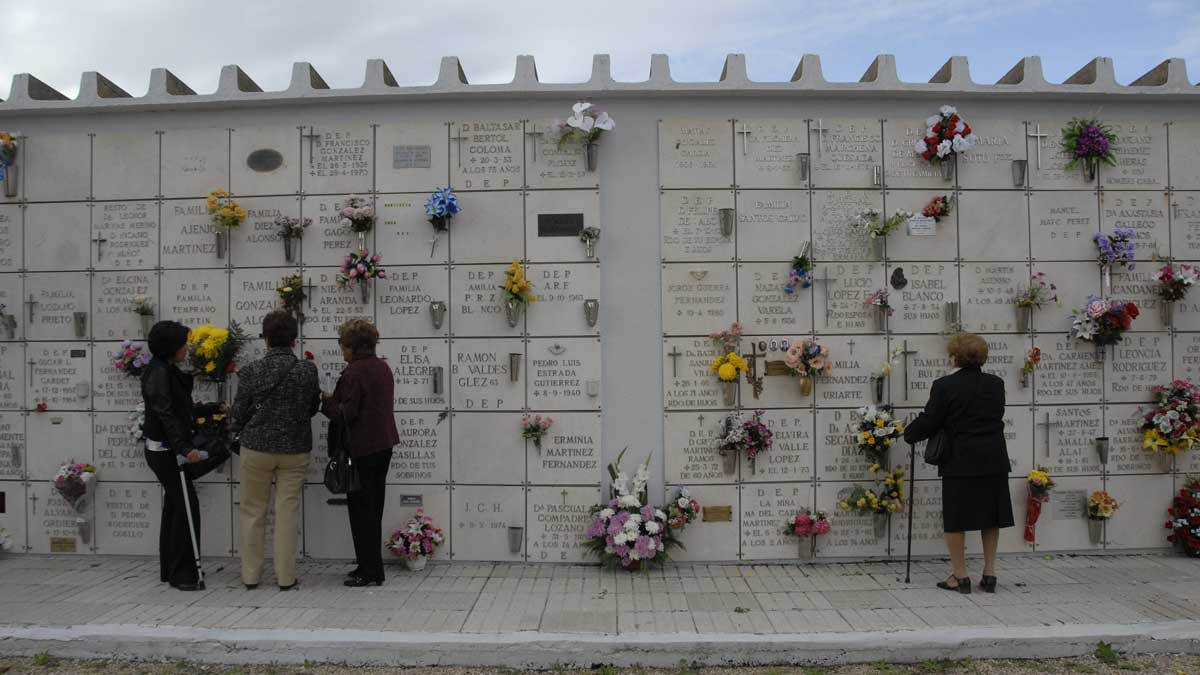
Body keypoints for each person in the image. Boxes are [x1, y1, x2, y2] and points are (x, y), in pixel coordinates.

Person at [902, 332, 1013, 595]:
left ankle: (960, 576)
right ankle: (989, 573)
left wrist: (910, 433)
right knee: (991, 517)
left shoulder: (945, 386)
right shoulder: (996, 384)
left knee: (956, 519)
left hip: (960, 460)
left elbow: (932, 420)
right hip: (994, 458)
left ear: (955, 357)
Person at [231, 311, 320, 591]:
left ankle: (250, 575)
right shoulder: (307, 370)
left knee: (252, 511)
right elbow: (312, 407)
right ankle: (285, 577)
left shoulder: (251, 371)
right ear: (294, 339)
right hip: (294, 449)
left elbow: (239, 413)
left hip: (256, 447)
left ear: (266, 337)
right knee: (287, 511)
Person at [322, 319, 399, 587]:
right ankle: (369, 565)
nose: (342, 349)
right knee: (373, 508)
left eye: (343, 344)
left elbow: (346, 414)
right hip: (383, 444)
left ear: (353, 346)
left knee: (361, 510)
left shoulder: (355, 372)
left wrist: (325, 403)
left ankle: (370, 572)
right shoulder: (382, 367)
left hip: (362, 448)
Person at [141, 320, 203, 592]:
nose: (186, 348)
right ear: (171, 347)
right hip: (165, 451)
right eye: (183, 344)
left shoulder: (164, 369)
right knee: (186, 509)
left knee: (176, 508)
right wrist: (184, 449)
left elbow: (180, 408)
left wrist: (211, 408)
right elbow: (165, 414)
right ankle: (182, 573)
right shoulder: (158, 373)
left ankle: (171, 568)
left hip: (167, 449)